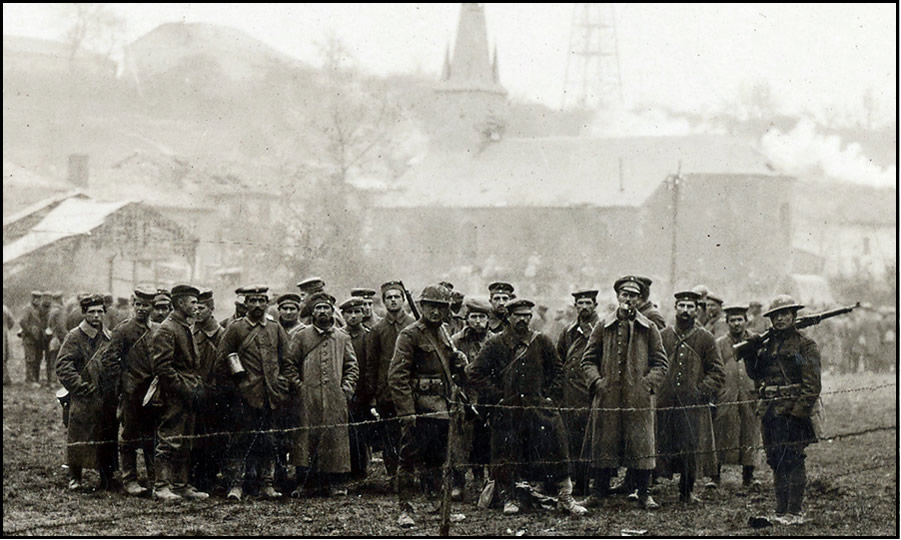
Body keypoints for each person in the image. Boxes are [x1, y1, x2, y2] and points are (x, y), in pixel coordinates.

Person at [467, 298, 587, 517]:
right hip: (508, 410)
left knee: (557, 447)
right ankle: (509, 497)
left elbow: (558, 371)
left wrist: (550, 397)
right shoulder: (495, 344)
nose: (522, 320)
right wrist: (497, 396)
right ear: (509, 318)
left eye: (526, 316)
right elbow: (475, 373)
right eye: (518, 315)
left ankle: (565, 496)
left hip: (538, 407)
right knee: (506, 452)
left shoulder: (541, 341)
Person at [579, 277, 668, 510]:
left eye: (634, 295)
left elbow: (661, 363)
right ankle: (598, 492)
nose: (629, 299)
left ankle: (644, 493)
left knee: (641, 445)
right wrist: (597, 382)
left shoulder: (649, 328)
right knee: (604, 444)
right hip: (608, 397)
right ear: (618, 297)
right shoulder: (602, 326)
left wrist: (647, 385)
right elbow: (588, 359)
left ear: (640, 300)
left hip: (638, 399)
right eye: (625, 295)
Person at [388, 284, 467, 526]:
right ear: (422, 307)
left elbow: (450, 372)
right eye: (431, 306)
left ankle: (440, 507)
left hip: (442, 407)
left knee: (439, 459)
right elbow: (397, 376)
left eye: (441, 307)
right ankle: (406, 510)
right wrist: (407, 411)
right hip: (419, 407)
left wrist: (459, 362)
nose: (436, 312)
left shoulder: (444, 332)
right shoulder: (410, 334)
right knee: (409, 459)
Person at [739, 295, 822, 525]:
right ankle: (781, 509)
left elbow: (812, 385)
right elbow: (757, 374)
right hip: (770, 411)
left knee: (794, 459)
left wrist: (798, 414)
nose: (780, 319)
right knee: (775, 459)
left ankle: (794, 512)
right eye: (775, 315)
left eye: (785, 314)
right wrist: (749, 353)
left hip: (794, 412)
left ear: (794, 316)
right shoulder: (768, 345)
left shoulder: (805, 345)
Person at [217, 286, 291, 501]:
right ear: (245, 303)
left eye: (261, 300)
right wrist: (235, 390)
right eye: (252, 301)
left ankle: (266, 484)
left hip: (270, 395)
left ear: (267, 302)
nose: (257, 305)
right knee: (240, 441)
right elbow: (222, 361)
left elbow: (287, 360)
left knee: (269, 441)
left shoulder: (275, 328)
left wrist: (281, 384)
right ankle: (236, 485)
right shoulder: (235, 329)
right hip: (244, 397)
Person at [655, 290, 725, 504]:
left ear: (697, 310)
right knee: (660, 443)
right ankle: (649, 489)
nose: (685, 311)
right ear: (675, 308)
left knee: (690, 447)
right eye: (682, 306)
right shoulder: (663, 335)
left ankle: (686, 491)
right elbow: (653, 364)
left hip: (692, 405)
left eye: (690, 307)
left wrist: (701, 391)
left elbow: (717, 372)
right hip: (665, 403)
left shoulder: (705, 338)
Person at [287, 292, 358, 497]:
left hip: (335, 397)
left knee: (335, 437)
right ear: (312, 311)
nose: (323, 312)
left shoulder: (342, 337)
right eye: (318, 308)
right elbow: (290, 365)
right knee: (306, 437)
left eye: (326, 307)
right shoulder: (301, 336)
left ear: (332, 310)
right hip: (308, 398)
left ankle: (336, 483)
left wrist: (346, 389)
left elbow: (352, 366)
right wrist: (300, 387)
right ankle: (305, 483)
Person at [151, 284, 209, 502]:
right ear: (180, 304)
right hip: (174, 395)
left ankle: (181, 485)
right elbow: (163, 368)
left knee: (185, 440)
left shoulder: (183, 326)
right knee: (169, 440)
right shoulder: (167, 329)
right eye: (193, 302)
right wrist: (184, 389)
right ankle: (161, 486)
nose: (197, 306)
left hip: (188, 392)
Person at [101, 287, 159, 496]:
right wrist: (123, 383)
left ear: (153, 307)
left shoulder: (158, 329)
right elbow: (109, 360)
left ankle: (155, 478)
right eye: (139, 304)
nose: (142, 309)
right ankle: (130, 479)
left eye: (147, 305)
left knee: (153, 435)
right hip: (132, 392)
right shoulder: (123, 330)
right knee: (129, 435)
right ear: (134, 304)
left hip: (153, 392)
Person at [56, 294, 116, 491]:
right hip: (83, 396)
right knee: (78, 434)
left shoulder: (109, 336)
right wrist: (79, 385)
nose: (96, 316)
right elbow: (63, 365)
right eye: (91, 312)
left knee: (107, 435)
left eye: (100, 311)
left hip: (106, 395)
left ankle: (107, 477)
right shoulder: (74, 336)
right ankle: (75, 477)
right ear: (84, 313)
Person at [365, 280, 415, 477]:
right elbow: (372, 364)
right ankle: (394, 475)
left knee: (413, 433)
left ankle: (412, 475)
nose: (393, 301)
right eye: (389, 297)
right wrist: (373, 396)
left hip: (411, 389)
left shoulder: (414, 325)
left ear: (403, 300)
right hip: (386, 392)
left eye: (397, 297)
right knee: (390, 436)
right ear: (384, 302)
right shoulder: (378, 330)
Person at [709, 304, 761, 489]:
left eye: (740, 320)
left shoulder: (756, 341)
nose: (736, 324)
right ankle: (714, 477)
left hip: (749, 393)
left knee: (750, 432)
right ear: (727, 322)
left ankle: (749, 477)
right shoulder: (720, 343)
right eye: (733, 320)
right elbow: (714, 369)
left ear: (746, 321)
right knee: (721, 431)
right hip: (726, 393)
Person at [555, 289, 600, 495]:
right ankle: (575, 482)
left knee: (590, 439)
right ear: (575, 306)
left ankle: (591, 484)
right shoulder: (568, 331)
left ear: (595, 305)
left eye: (588, 303)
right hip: (570, 394)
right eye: (580, 303)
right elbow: (560, 358)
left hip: (591, 392)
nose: (584, 307)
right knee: (571, 438)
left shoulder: (601, 329)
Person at [451, 297, 493, 489]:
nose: (477, 321)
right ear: (467, 318)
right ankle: (458, 483)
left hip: (487, 396)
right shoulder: (456, 341)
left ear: (488, 319)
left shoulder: (494, 341)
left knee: (485, 439)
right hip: (463, 397)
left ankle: (483, 480)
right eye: (473, 317)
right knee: (461, 441)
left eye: (482, 317)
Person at [190, 288, 225, 494]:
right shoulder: (190, 330)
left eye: (201, 308)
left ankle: (210, 476)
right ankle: (193, 476)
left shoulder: (220, 333)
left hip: (214, 393)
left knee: (212, 437)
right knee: (193, 435)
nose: (197, 311)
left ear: (211, 309)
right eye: (195, 307)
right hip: (192, 390)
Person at [339, 297, 372, 480]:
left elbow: (370, 364)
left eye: (356, 312)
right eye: (348, 313)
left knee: (360, 432)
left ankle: (360, 470)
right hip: (343, 389)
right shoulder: (338, 335)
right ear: (343, 315)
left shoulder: (368, 336)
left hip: (362, 392)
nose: (353, 316)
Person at [19, 290, 50, 386]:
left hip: (38, 339)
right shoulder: (28, 308)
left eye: (39, 299)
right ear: (32, 299)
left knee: (38, 358)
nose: (37, 300)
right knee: (30, 359)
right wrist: (30, 331)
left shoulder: (39, 309)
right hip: (29, 338)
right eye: (35, 298)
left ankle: (35, 379)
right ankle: (30, 380)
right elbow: (22, 321)